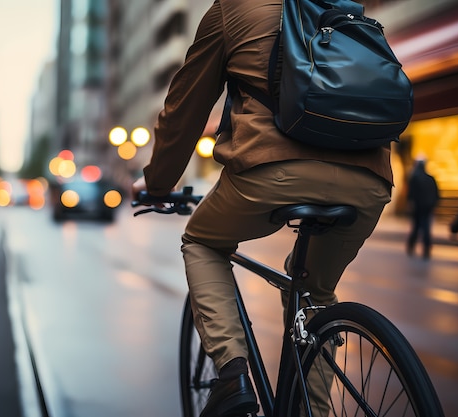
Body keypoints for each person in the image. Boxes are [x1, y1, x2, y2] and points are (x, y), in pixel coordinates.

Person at [131, 2, 392, 416]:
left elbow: (184, 109)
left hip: (270, 169)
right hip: (370, 179)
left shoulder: (230, 8)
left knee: (202, 241)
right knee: (314, 294)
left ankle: (232, 376)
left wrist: (158, 183)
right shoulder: (343, 5)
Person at [405, 158, 439, 259]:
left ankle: (412, 245)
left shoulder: (415, 178)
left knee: (416, 227)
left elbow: (411, 193)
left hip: (419, 207)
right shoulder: (430, 179)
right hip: (427, 207)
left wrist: (410, 203)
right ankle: (426, 249)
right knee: (426, 228)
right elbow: (436, 194)